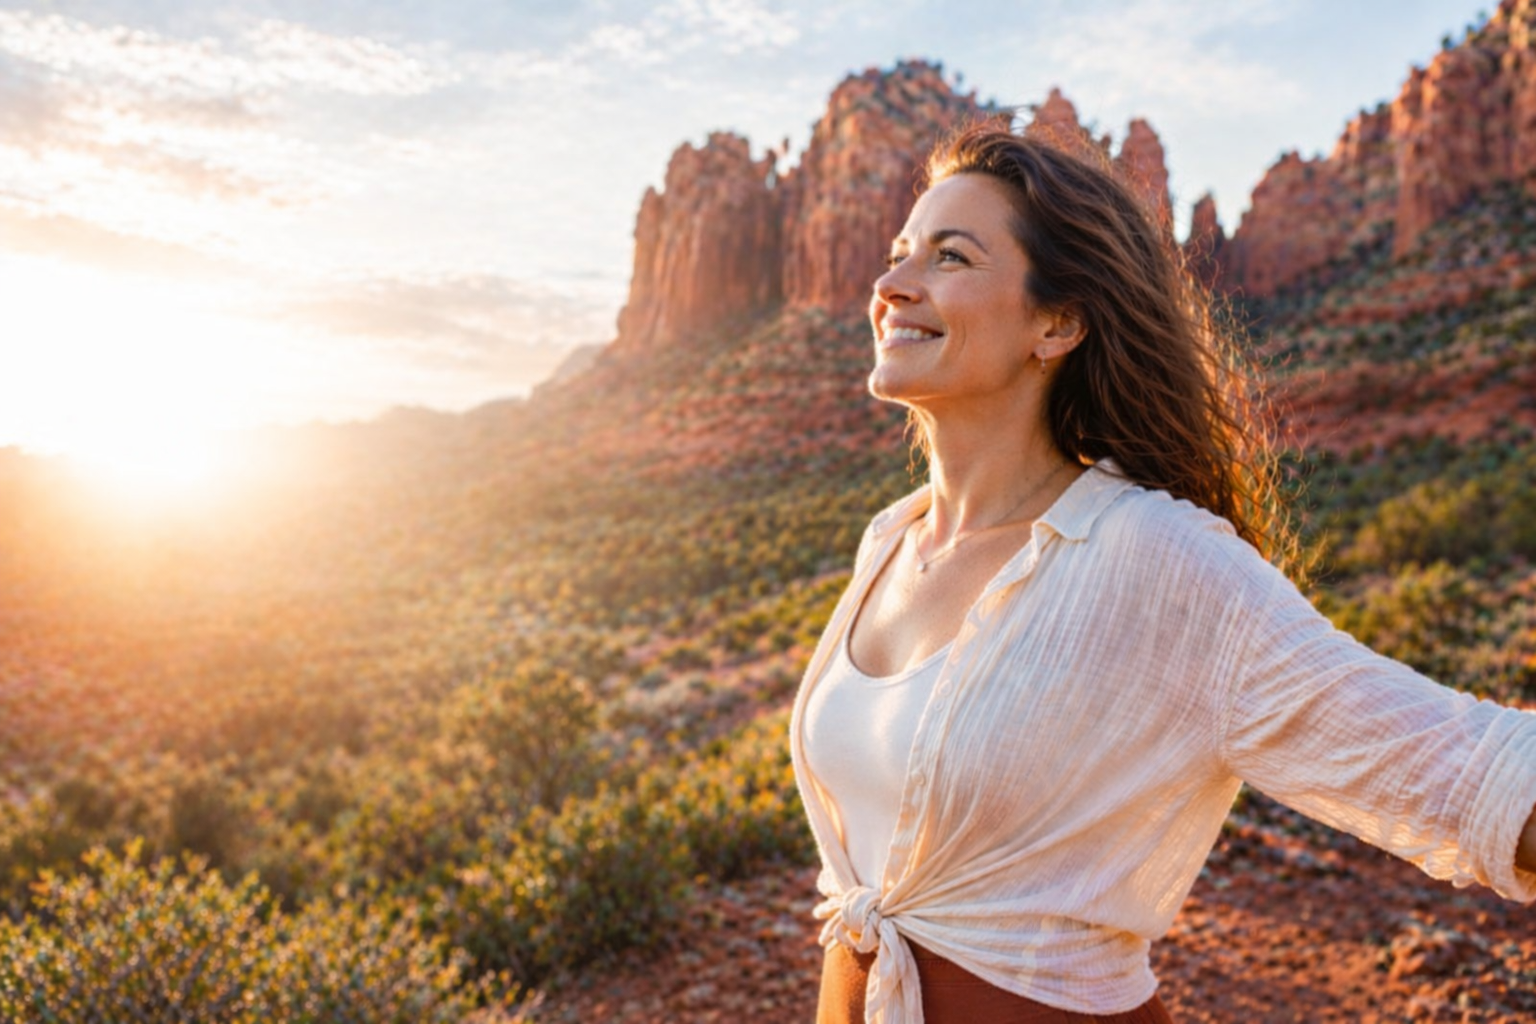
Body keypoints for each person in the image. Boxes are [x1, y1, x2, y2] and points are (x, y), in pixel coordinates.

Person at [788, 117, 1536, 1024]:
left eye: (948, 257)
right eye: (899, 250)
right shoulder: (891, 541)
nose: (890, 283)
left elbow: (1464, 775)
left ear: (1057, 323)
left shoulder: (1157, 559)